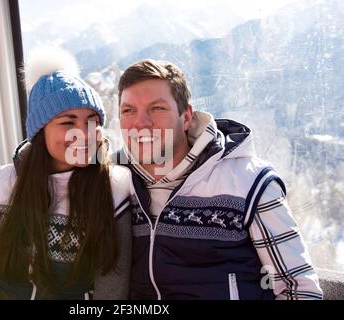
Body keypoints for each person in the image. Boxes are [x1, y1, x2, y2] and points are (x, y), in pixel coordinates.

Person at [114, 59, 323, 300]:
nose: (141, 123)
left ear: (186, 118)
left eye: (157, 108)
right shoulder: (114, 182)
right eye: (128, 110)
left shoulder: (248, 183)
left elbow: (299, 289)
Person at [0, 49, 131, 300]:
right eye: (67, 122)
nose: (84, 134)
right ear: (40, 131)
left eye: (92, 121)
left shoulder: (114, 188)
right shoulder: (3, 185)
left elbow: (112, 285)